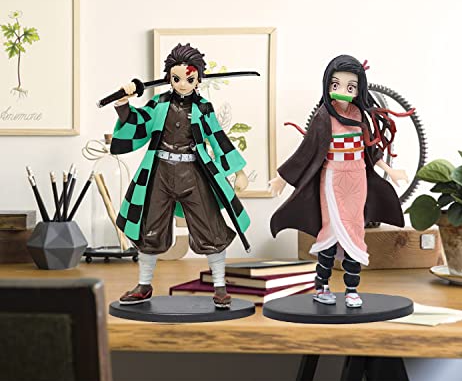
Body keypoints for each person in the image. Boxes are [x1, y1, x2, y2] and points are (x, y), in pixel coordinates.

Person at [110, 43, 249, 309]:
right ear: (169, 78)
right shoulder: (158, 104)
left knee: (210, 227)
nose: (183, 84)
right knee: (148, 227)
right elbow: (138, 122)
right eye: (176, 79)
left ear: (198, 80)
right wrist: (124, 102)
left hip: (194, 174)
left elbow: (218, 138)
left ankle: (220, 286)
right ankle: (144, 285)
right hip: (159, 173)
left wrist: (238, 171)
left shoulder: (204, 108)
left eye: (189, 79)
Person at [269, 55, 413, 308]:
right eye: (336, 85)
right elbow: (306, 150)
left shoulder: (358, 114)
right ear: (327, 85)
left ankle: (351, 289)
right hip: (333, 177)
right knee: (332, 230)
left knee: (355, 231)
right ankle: (322, 285)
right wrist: (282, 178)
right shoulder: (324, 116)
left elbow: (370, 150)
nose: (343, 91)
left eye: (350, 86)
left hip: (357, 177)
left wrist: (389, 170)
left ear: (359, 89)